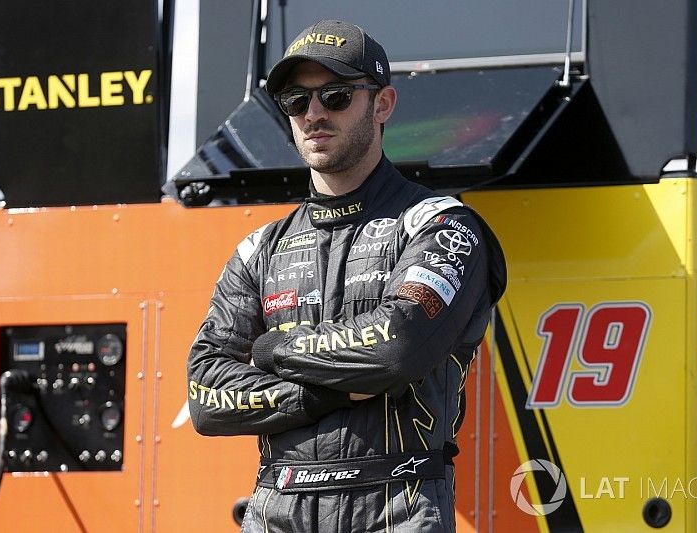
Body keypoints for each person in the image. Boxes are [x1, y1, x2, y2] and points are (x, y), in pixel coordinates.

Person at [187, 19, 506, 532]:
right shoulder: (259, 251)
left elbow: (395, 348)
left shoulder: (442, 226)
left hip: (397, 507)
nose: (313, 114)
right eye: (296, 101)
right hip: (276, 510)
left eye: (335, 96)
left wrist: (271, 350)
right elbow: (206, 395)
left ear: (382, 104)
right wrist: (324, 394)